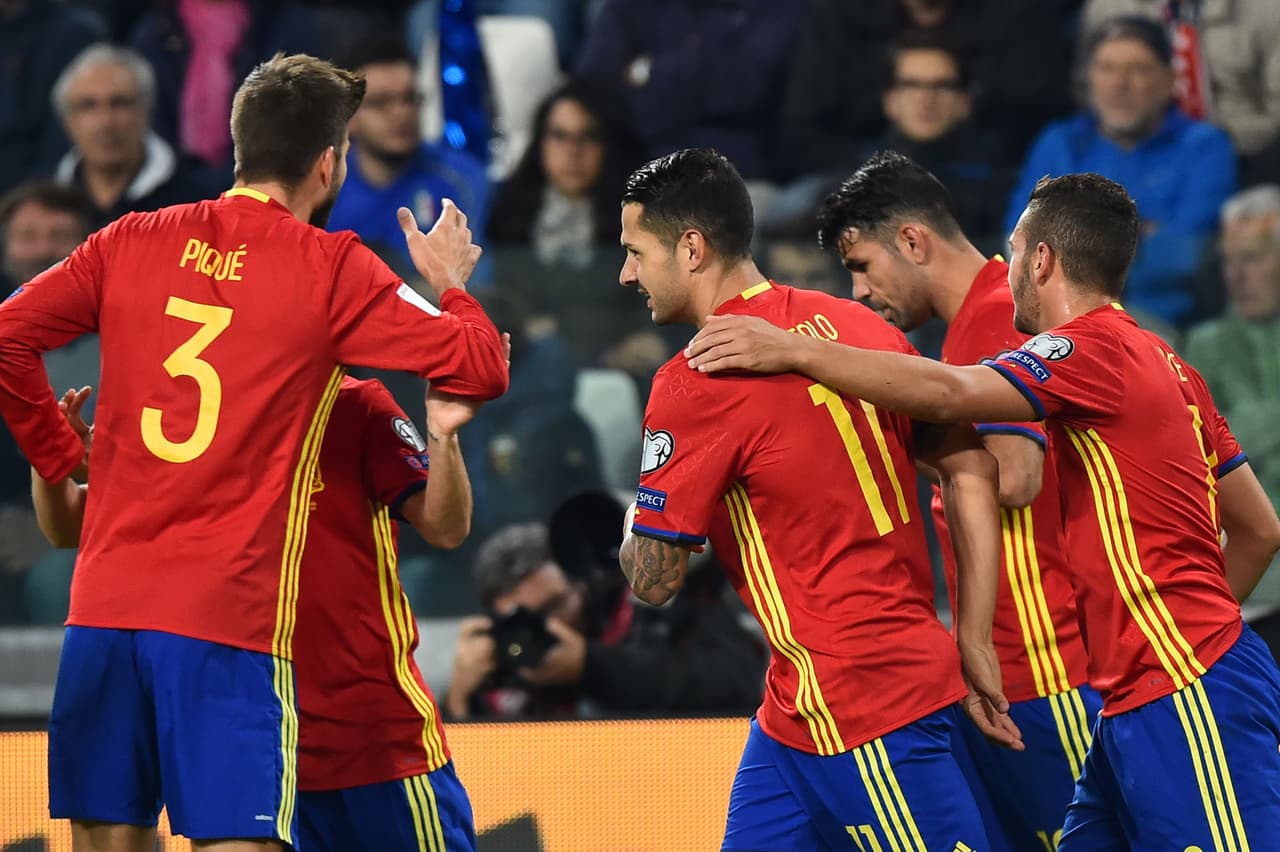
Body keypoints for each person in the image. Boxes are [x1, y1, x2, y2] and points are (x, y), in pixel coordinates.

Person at [0, 52, 508, 852]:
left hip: (101, 612)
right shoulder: (330, 265)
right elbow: (478, 365)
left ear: (238, 147)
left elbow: (7, 337)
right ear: (329, 163)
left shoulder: (131, 238)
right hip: (222, 620)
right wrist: (451, 286)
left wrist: (66, 455)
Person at [686, 171, 1280, 847]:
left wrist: (795, 348)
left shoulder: (1086, 348)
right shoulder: (1167, 361)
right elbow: (1260, 530)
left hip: (1169, 686)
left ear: (1041, 260)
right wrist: (1168, 637)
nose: (1005, 269)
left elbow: (959, 410)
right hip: (1136, 691)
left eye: (1014, 250)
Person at [616, 148, 1019, 851]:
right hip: (799, 711)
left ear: (691, 247)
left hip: (860, 703)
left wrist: (637, 509)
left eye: (634, 250)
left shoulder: (698, 376)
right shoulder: (863, 330)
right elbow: (973, 470)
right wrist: (974, 636)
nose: (626, 273)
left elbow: (654, 581)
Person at [33, 374, 486, 852]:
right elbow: (71, 527)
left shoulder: (352, 403)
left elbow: (447, 526)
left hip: (371, 743)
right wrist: (52, 456)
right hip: (246, 750)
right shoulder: (178, 409)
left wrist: (443, 434)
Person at [794, 150, 1099, 849]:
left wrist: (895, 436)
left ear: (912, 240)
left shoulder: (998, 317)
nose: (860, 292)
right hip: (1017, 670)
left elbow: (1015, 475)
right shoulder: (972, 328)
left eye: (863, 265)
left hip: (1048, 669)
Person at [1003, 16, 1236, 328]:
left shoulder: (1204, 146)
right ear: (1089, 79)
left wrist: (1077, 246)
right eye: (1107, 68)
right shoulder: (1059, 142)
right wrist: (1138, 236)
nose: (1119, 83)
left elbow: (1188, 255)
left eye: (1138, 70)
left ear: (1169, 80)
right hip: (1057, 318)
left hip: (1162, 324)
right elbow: (1019, 243)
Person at [445, 498, 766, 720]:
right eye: (521, 619)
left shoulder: (642, 614)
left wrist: (589, 665)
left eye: (555, 605)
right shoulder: (497, 671)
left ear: (581, 585)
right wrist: (459, 700)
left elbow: (733, 685)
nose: (544, 626)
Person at [1185, 184, 1280, 661]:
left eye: (1254, 259)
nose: (1237, 276)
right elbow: (1215, 449)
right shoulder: (1206, 345)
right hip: (1247, 581)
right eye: (1229, 261)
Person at [327, 34, 491, 274]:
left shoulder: (463, 178)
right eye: (381, 102)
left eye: (410, 98)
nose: (401, 113)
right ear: (348, 117)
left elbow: (475, 287)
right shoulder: (323, 186)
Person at [51, 43, 225, 229]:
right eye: (88, 106)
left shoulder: (206, 201)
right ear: (67, 121)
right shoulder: (44, 206)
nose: (106, 122)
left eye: (120, 103)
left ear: (146, 111)